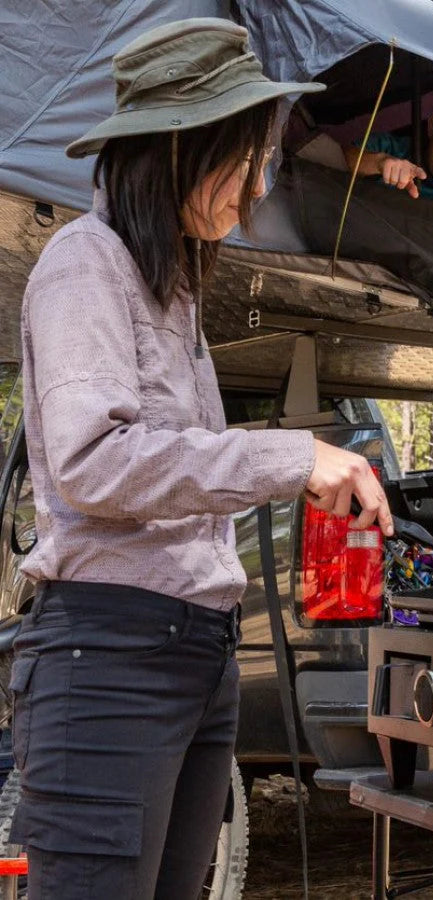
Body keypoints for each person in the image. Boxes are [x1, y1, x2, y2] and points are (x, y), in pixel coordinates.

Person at [9, 17, 392, 899]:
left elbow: (179, 460)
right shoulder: (84, 266)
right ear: (181, 147)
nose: (256, 189)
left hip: (193, 654)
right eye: (247, 159)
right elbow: (91, 464)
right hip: (108, 661)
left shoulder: (171, 290)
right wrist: (289, 459)